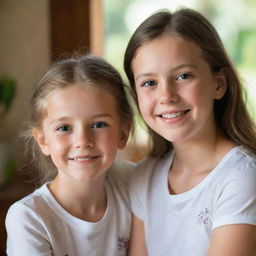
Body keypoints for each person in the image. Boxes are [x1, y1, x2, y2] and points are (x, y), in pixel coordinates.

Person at [124, 8, 256, 256]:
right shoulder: (145, 176)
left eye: (183, 76)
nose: (166, 96)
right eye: (149, 83)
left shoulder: (242, 178)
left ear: (218, 84)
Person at [6, 54, 134, 255]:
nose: (82, 141)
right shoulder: (29, 218)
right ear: (43, 141)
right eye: (64, 127)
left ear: (123, 134)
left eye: (99, 124)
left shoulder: (134, 183)